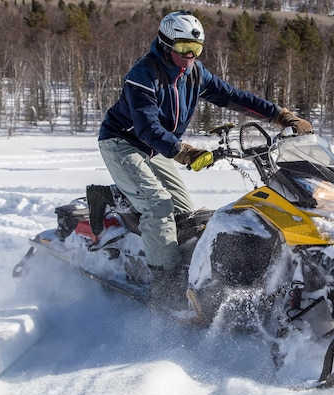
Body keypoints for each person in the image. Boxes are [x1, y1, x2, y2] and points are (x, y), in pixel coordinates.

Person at [97, 10, 312, 308]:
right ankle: (164, 285)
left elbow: (233, 96)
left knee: (185, 214)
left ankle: (180, 264)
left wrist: (280, 115)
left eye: (196, 50)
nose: (190, 56)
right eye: (184, 49)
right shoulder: (143, 75)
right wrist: (184, 152)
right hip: (123, 143)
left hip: (156, 149)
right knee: (159, 207)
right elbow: (147, 127)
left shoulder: (195, 73)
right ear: (165, 43)